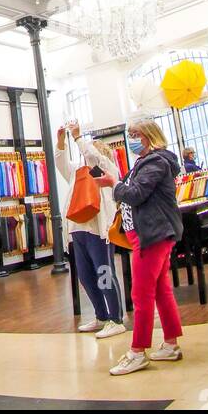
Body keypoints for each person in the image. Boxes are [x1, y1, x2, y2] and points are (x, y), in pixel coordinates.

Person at [97, 118, 183, 376]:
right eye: (130, 133)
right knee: (160, 290)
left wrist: (114, 184)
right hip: (151, 233)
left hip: (151, 235)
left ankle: (137, 351)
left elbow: (134, 194)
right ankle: (170, 343)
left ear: (149, 136)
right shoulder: (147, 162)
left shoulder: (155, 162)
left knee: (141, 294)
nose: (132, 138)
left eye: (137, 134)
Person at [56, 120, 125, 339]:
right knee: (85, 276)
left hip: (98, 230)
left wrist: (78, 138)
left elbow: (96, 158)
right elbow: (60, 164)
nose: (85, 155)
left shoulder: (106, 169)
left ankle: (116, 318)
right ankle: (101, 315)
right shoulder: (79, 173)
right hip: (77, 229)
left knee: (104, 273)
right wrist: (60, 142)